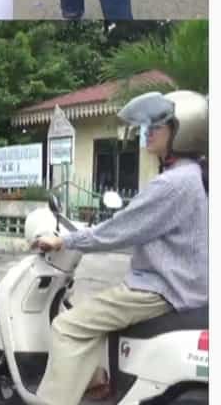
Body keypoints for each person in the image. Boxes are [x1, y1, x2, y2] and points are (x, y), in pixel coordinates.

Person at [33, 91, 207, 405]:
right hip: (180, 284)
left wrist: (65, 240)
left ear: (183, 131)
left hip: (160, 288)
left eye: (159, 124)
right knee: (90, 313)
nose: (148, 130)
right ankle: (98, 383)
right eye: (149, 124)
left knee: (67, 326)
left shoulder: (173, 183)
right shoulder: (193, 177)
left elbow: (120, 229)